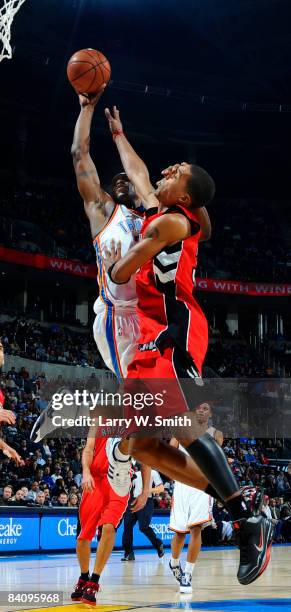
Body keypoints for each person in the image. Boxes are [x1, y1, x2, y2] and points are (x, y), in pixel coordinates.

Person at [102, 105, 273, 586]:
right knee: (141, 445)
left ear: (187, 195)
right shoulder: (165, 211)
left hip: (173, 333)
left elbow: (120, 271)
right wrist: (118, 134)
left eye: (175, 172)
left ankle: (247, 523)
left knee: (182, 426)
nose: (163, 171)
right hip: (151, 335)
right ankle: (242, 503)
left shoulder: (171, 224)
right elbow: (138, 175)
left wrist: (113, 255)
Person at [71, 429, 150, 606]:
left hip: (119, 481)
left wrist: (145, 491)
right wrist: (85, 472)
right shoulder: (99, 419)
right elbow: (89, 448)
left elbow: (145, 458)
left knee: (108, 526)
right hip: (95, 480)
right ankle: (84, 576)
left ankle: (95, 580)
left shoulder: (135, 422)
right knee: (83, 536)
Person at [169, 403, 223, 593]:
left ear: (210, 413)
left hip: (202, 484)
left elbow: (215, 459)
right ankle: (174, 563)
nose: (201, 410)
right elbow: (170, 452)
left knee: (195, 528)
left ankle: (188, 574)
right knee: (179, 532)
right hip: (183, 483)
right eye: (198, 408)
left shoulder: (216, 434)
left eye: (205, 408)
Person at [121, 467, 164, 561]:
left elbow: (161, 488)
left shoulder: (153, 472)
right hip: (133, 501)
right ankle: (129, 553)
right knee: (127, 526)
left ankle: (158, 544)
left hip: (146, 500)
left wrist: (148, 491)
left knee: (143, 527)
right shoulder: (135, 474)